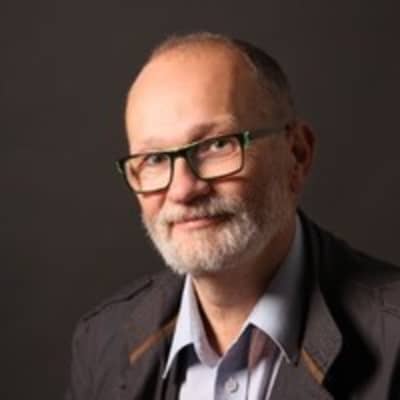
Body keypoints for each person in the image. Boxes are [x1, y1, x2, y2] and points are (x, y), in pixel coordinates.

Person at [66, 32, 400, 400]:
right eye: (155, 159)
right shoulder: (102, 342)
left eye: (216, 145)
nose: (183, 190)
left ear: (297, 154)